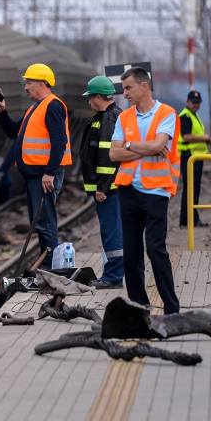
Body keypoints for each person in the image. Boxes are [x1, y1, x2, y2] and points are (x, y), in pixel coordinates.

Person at [110, 67, 181, 314]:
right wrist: (144, 147)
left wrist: (129, 145)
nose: (125, 93)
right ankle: (139, 307)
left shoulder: (167, 114)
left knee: (155, 248)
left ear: (144, 86)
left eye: (128, 88)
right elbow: (113, 152)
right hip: (128, 189)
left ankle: (172, 309)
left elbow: (160, 145)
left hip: (156, 191)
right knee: (131, 253)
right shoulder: (124, 117)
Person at [0, 63, 72, 269]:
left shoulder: (53, 106)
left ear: (43, 83)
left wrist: (49, 172)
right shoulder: (35, 107)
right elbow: (13, 131)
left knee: (45, 222)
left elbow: (59, 141)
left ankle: (50, 266)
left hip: (44, 175)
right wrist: (2, 112)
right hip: (36, 174)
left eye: (29, 82)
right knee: (40, 221)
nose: (25, 87)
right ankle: (48, 263)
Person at [80, 76, 124, 289]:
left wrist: (102, 187)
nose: (89, 101)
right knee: (112, 230)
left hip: (109, 189)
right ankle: (113, 273)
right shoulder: (108, 116)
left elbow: (108, 158)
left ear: (99, 97)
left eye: (91, 97)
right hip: (112, 188)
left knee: (111, 231)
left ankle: (113, 276)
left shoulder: (108, 120)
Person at [178, 90, 211, 228]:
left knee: (192, 189)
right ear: (187, 102)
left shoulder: (193, 115)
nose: (196, 105)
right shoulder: (185, 116)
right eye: (193, 102)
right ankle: (189, 220)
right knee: (191, 189)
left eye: (198, 103)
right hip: (189, 157)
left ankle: (188, 220)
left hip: (195, 157)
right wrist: (204, 137)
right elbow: (186, 136)